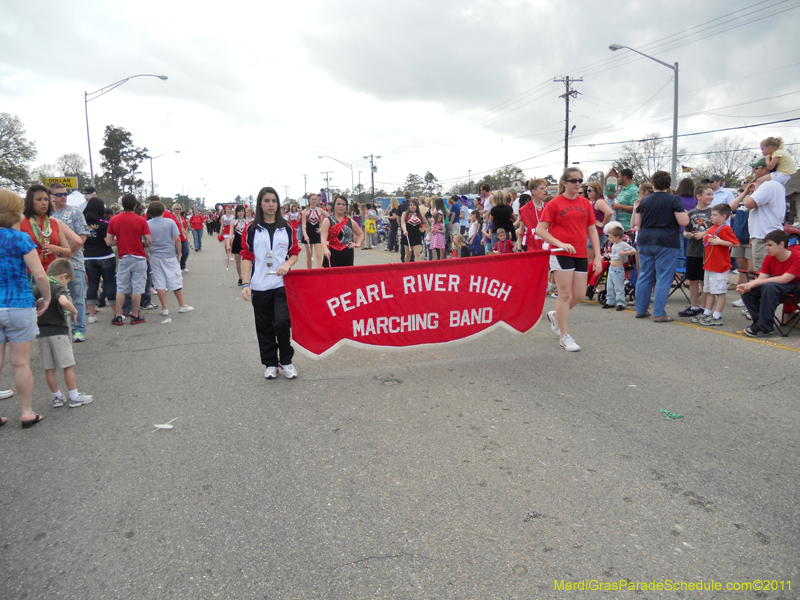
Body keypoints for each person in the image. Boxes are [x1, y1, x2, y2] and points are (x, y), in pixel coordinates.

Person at [535, 167, 603, 352]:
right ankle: (564, 336)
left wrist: (598, 257)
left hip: (580, 253)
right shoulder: (554, 203)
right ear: (564, 183)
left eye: (580, 180)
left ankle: (556, 315)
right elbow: (540, 229)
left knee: (579, 294)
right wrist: (560, 243)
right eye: (574, 180)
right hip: (560, 253)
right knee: (564, 294)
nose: (578, 184)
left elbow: (592, 231)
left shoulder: (585, 203)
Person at [0, 190, 52, 428]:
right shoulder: (21, 239)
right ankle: (26, 412)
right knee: (20, 363)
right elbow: (40, 275)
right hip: (19, 304)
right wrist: (47, 297)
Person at [240, 187, 301, 379]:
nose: (271, 204)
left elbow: (294, 253)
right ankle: (270, 363)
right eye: (266, 201)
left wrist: (287, 264)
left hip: (282, 285)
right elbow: (247, 256)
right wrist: (246, 283)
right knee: (264, 325)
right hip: (260, 285)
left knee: (282, 322)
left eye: (274, 201)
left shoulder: (287, 228)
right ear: (260, 204)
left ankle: (286, 361)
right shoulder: (251, 229)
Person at [33, 259, 94, 409]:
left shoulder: (36, 288)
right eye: (67, 282)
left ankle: (57, 397)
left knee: (49, 368)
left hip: (42, 333)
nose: (66, 285)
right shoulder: (56, 287)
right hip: (58, 332)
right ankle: (74, 396)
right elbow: (63, 302)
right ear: (64, 276)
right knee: (67, 366)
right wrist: (74, 311)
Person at [633, 171, 689, 322]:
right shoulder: (674, 199)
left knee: (645, 275)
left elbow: (637, 224)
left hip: (645, 239)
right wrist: (685, 213)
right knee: (663, 277)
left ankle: (641, 309)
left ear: (653, 185)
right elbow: (683, 222)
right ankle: (658, 313)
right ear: (668, 184)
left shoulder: (644, 201)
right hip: (666, 240)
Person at [738, 230, 800, 337]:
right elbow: (762, 277)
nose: (766, 248)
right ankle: (760, 323)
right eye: (766, 245)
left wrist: (755, 283)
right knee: (749, 290)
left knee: (770, 286)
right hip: (779, 286)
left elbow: (785, 279)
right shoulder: (769, 257)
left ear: (781, 244)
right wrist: (748, 285)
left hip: (797, 286)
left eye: (770, 245)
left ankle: (764, 326)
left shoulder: (797, 256)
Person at [730, 158, 787, 271]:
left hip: (764, 237)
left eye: (756, 168)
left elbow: (748, 203)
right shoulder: (778, 185)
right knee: (770, 272)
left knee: (761, 272)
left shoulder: (767, 185)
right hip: (768, 234)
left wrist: (748, 194)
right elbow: (733, 207)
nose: (754, 171)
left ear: (766, 169)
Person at [49, 183, 89, 343]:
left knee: (78, 297)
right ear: (51, 196)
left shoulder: (74, 212)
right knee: (55, 298)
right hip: (52, 265)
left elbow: (82, 235)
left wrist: (68, 253)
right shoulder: (48, 215)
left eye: (65, 194)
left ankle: (78, 330)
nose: (63, 197)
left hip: (74, 263)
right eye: (59, 194)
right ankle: (59, 330)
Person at [106, 193, 151, 325]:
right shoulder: (141, 220)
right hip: (139, 256)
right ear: (135, 205)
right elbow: (149, 240)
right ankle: (135, 314)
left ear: (122, 205)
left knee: (121, 287)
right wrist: (141, 243)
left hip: (123, 256)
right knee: (138, 287)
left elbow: (109, 241)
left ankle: (118, 315)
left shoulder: (114, 220)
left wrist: (120, 241)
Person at [690, 204, 738, 327]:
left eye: (714, 215)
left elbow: (735, 244)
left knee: (720, 292)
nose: (711, 217)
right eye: (711, 214)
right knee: (709, 291)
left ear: (724, 216)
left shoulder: (725, 228)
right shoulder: (712, 227)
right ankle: (707, 312)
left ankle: (717, 315)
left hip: (719, 266)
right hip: (709, 264)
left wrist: (720, 242)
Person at [146, 201, 194, 316]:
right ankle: (182, 305)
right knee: (175, 280)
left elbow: (146, 241)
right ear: (163, 211)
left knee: (159, 282)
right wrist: (179, 254)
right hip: (169, 254)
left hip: (154, 255)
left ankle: (165, 308)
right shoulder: (170, 222)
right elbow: (177, 239)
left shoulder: (147, 224)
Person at [678, 184, 713, 318]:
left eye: (712, 194)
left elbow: (718, 229)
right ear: (698, 196)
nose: (711, 197)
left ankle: (704, 307)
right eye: (708, 194)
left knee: (704, 281)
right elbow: (685, 231)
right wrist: (688, 235)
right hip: (693, 251)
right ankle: (694, 306)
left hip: (707, 252)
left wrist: (705, 233)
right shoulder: (691, 213)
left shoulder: (713, 212)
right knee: (693, 280)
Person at [20, 184, 71, 272]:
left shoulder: (54, 222)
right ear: (30, 202)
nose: (44, 203)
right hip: (29, 273)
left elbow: (68, 251)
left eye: (46, 199)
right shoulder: (20, 222)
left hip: (52, 273)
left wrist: (58, 249)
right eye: (39, 199)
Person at [82, 198, 116, 324]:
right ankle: (116, 313)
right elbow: (108, 241)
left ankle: (91, 314)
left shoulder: (83, 223)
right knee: (109, 284)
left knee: (92, 285)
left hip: (88, 257)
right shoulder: (104, 223)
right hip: (105, 256)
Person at [321, 195, 364, 267]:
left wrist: (358, 243)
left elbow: (361, 233)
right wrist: (325, 249)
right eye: (338, 204)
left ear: (346, 207)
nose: (341, 206)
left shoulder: (350, 221)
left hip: (347, 254)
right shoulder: (327, 220)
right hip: (331, 253)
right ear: (334, 205)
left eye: (343, 204)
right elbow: (323, 237)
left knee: (347, 274)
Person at [602, 225, 637, 310]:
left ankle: (621, 303)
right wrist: (609, 255)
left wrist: (624, 253)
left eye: (611, 237)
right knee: (610, 286)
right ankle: (610, 301)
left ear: (617, 237)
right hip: (611, 268)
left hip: (618, 269)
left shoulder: (623, 244)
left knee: (619, 287)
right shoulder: (614, 245)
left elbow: (634, 251)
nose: (609, 239)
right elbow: (615, 254)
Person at [518, 178, 548, 252]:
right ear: (533, 191)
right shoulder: (524, 209)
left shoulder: (549, 207)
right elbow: (521, 230)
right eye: (542, 188)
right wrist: (519, 247)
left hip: (548, 246)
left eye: (545, 188)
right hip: (532, 247)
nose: (545, 190)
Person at [586, 181, 612, 264]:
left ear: (596, 191)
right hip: (594, 234)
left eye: (590, 190)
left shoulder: (599, 201)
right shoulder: (595, 202)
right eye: (587, 190)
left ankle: (591, 273)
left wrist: (602, 224)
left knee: (591, 260)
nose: (587, 192)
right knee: (591, 260)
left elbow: (609, 212)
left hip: (598, 234)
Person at [301, 193, 328, 269]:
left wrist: (322, 228)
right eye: (312, 199)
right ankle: (309, 272)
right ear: (309, 200)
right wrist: (305, 235)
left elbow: (329, 218)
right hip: (308, 234)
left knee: (319, 255)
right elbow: (303, 225)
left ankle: (320, 272)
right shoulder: (305, 212)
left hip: (317, 234)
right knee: (309, 256)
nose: (314, 201)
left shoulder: (320, 210)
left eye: (315, 199)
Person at [400, 197, 428, 263]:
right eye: (411, 205)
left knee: (417, 254)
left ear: (417, 206)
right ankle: (406, 267)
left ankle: (418, 268)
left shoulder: (420, 214)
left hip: (417, 235)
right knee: (408, 254)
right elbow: (403, 223)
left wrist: (423, 229)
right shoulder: (405, 214)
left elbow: (426, 223)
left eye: (414, 205)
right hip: (407, 235)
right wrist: (404, 230)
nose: (412, 206)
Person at [168, 204, 191, 272]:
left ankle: (182, 266)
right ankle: (176, 267)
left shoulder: (182, 218)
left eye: (180, 209)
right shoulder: (171, 217)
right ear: (173, 209)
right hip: (175, 238)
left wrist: (187, 238)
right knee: (177, 253)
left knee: (186, 252)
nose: (178, 210)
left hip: (183, 237)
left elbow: (185, 228)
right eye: (177, 209)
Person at [230, 205, 248, 286]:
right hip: (237, 243)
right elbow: (231, 233)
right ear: (236, 212)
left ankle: (246, 278)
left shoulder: (248, 221)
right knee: (238, 263)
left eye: (242, 211)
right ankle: (240, 277)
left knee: (246, 262)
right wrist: (229, 244)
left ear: (244, 212)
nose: (240, 213)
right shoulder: (233, 222)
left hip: (245, 244)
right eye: (239, 211)